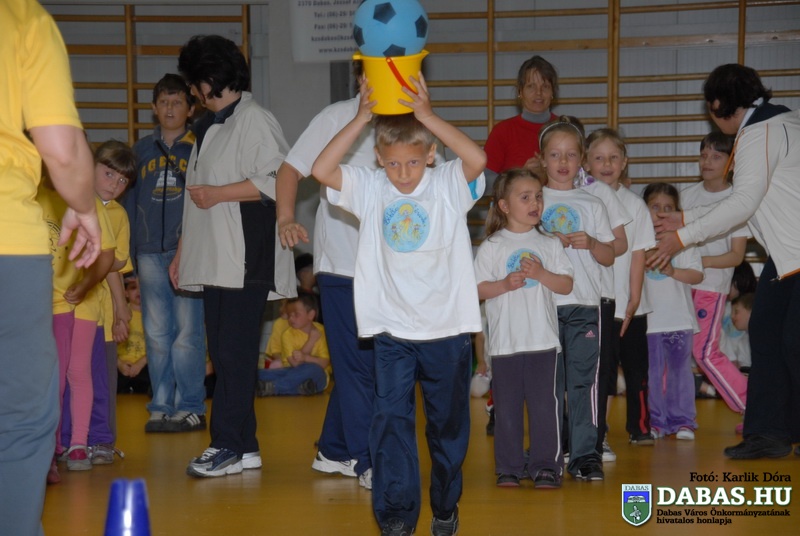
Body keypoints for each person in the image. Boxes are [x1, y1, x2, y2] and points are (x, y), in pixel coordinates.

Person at [310, 74, 486, 535]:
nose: (403, 173)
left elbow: (477, 159)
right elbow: (322, 170)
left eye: (412, 162)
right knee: (390, 424)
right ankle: (395, 517)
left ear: (430, 154)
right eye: (392, 163)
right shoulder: (370, 188)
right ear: (378, 158)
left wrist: (427, 116)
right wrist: (361, 117)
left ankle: (444, 507)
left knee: (447, 431)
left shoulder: (447, 183)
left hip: (447, 331)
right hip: (391, 333)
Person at [649, 63, 799, 459]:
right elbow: (753, 206)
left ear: (717, 105)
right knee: (767, 334)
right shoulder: (784, 120)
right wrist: (686, 218)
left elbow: (742, 204)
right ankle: (770, 433)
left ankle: (774, 430)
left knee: (791, 341)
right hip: (787, 257)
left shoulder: (758, 134)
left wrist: (682, 236)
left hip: (794, 254)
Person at [172, 34, 295, 478]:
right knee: (225, 355)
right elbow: (195, 200)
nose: (192, 91)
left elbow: (279, 178)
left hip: (246, 255)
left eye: (194, 82)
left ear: (210, 79)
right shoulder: (207, 126)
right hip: (214, 258)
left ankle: (224, 443)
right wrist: (183, 252)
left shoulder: (255, 119)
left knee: (234, 353)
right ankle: (245, 445)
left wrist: (220, 193)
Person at [1, 0, 101, 533]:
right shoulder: (22, 18)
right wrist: (84, 207)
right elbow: (61, 152)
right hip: (6, 238)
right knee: (20, 416)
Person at [275, 64, 378, 489]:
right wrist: (285, 217)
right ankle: (367, 459)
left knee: (373, 365)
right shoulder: (337, 117)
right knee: (356, 366)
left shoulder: (417, 121)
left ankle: (333, 449)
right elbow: (290, 170)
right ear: (361, 77)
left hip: (392, 271)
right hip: (341, 266)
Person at [474, 168, 574, 489]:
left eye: (539, 196)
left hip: (542, 341)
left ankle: (546, 466)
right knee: (506, 409)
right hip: (505, 343)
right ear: (504, 206)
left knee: (545, 407)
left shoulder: (549, 243)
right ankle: (509, 466)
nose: (535, 203)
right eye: (526, 197)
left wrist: (542, 274)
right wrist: (503, 284)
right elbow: (477, 289)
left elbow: (566, 284)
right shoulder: (492, 246)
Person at [127, 73, 207, 434]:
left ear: (190, 109)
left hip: (187, 251)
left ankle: (190, 406)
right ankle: (160, 405)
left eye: (177, 102)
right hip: (147, 252)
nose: (170, 108)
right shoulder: (141, 150)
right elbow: (129, 202)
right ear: (154, 108)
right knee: (156, 333)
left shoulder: (200, 148)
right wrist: (129, 254)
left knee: (187, 332)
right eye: (164, 102)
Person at [539, 117, 615, 481]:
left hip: (584, 305)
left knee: (583, 383)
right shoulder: (533, 201)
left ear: (582, 159)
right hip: (543, 307)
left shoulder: (593, 203)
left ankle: (586, 455)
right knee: (549, 387)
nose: (563, 161)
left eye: (571, 154)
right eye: (555, 154)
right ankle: (549, 454)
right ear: (542, 159)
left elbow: (609, 256)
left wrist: (593, 243)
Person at [584, 129, 657, 447]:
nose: (606, 164)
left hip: (631, 305)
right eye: (599, 158)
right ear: (586, 163)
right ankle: (598, 433)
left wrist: (635, 299)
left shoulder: (635, 205)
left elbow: (638, 252)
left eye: (613, 157)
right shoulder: (582, 200)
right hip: (597, 304)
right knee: (603, 373)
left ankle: (639, 427)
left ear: (624, 162)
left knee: (637, 370)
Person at [681, 132, 749, 415]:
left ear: (731, 163)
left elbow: (736, 255)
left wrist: (700, 261)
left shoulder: (738, 200)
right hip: (680, 285)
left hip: (711, 287)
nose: (707, 161)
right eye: (703, 155)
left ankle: (753, 408)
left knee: (705, 352)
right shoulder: (686, 196)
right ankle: (672, 417)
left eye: (716, 156)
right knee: (673, 350)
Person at [642, 183, 704, 440]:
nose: (661, 213)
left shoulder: (684, 241)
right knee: (652, 374)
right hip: (649, 322)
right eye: (655, 207)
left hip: (679, 321)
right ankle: (656, 421)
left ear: (677, 211)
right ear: (644, 210)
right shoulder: (639, 242)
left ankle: (683, 421)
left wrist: (673, 271)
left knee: (680, 373)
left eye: (668, 208)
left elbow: (697, 275)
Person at [483, 55, 558, 184]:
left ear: (552, 92)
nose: (538, 93)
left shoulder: (566, 129)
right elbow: (484, 183)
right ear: (520, 92)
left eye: (545, 86)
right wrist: (521, 176)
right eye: (531, 86)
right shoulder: (502, 132)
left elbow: (582, 177)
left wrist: (548, 175)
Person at [256, 294, 330, 396]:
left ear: (310, 315)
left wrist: (305, 358)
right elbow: (295, 364)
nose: (291, 318)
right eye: (289, 315)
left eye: (296, 315)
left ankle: (273, 387)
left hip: (317, 375)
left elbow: (324, 363)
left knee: (313, 369)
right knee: (265, 373)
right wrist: (311, 342)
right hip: (291, 370)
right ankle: (300, 388)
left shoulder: (322, 331)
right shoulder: (287, 334)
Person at [117, 276, 150, 394]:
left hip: (144, 365)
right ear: (125, 293)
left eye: (142, 287)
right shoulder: (118, 314)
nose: (139, 291)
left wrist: (140, 363)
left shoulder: (153, 316)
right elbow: (108, 344)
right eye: (133, 288)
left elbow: (158, 346)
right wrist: (119, 364)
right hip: (122, 365)